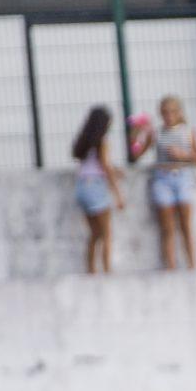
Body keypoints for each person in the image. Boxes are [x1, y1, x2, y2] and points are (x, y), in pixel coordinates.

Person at [147, 95, 196, 272]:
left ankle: (192, 266)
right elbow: (136, 153)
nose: (168, 116)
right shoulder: (156, 133)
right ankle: (170, 267)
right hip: (162, 178)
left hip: (182, 177)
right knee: (168, 227)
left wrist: (182, 155)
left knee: (186, 225)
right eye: (164, 113)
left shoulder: (188, 131)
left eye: (172, 112)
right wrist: (137, 133)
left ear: (179, 113)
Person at [72, 106, 123, 275]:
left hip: (81, 187)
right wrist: (118, 195)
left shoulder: (84, 142)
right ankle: (107, 270)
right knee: (106, 233)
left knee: (94, 234)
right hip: (95, 187)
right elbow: (105, 167)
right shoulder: (102, 141)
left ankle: (91, 270)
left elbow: (94, 165)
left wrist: (114, 169)